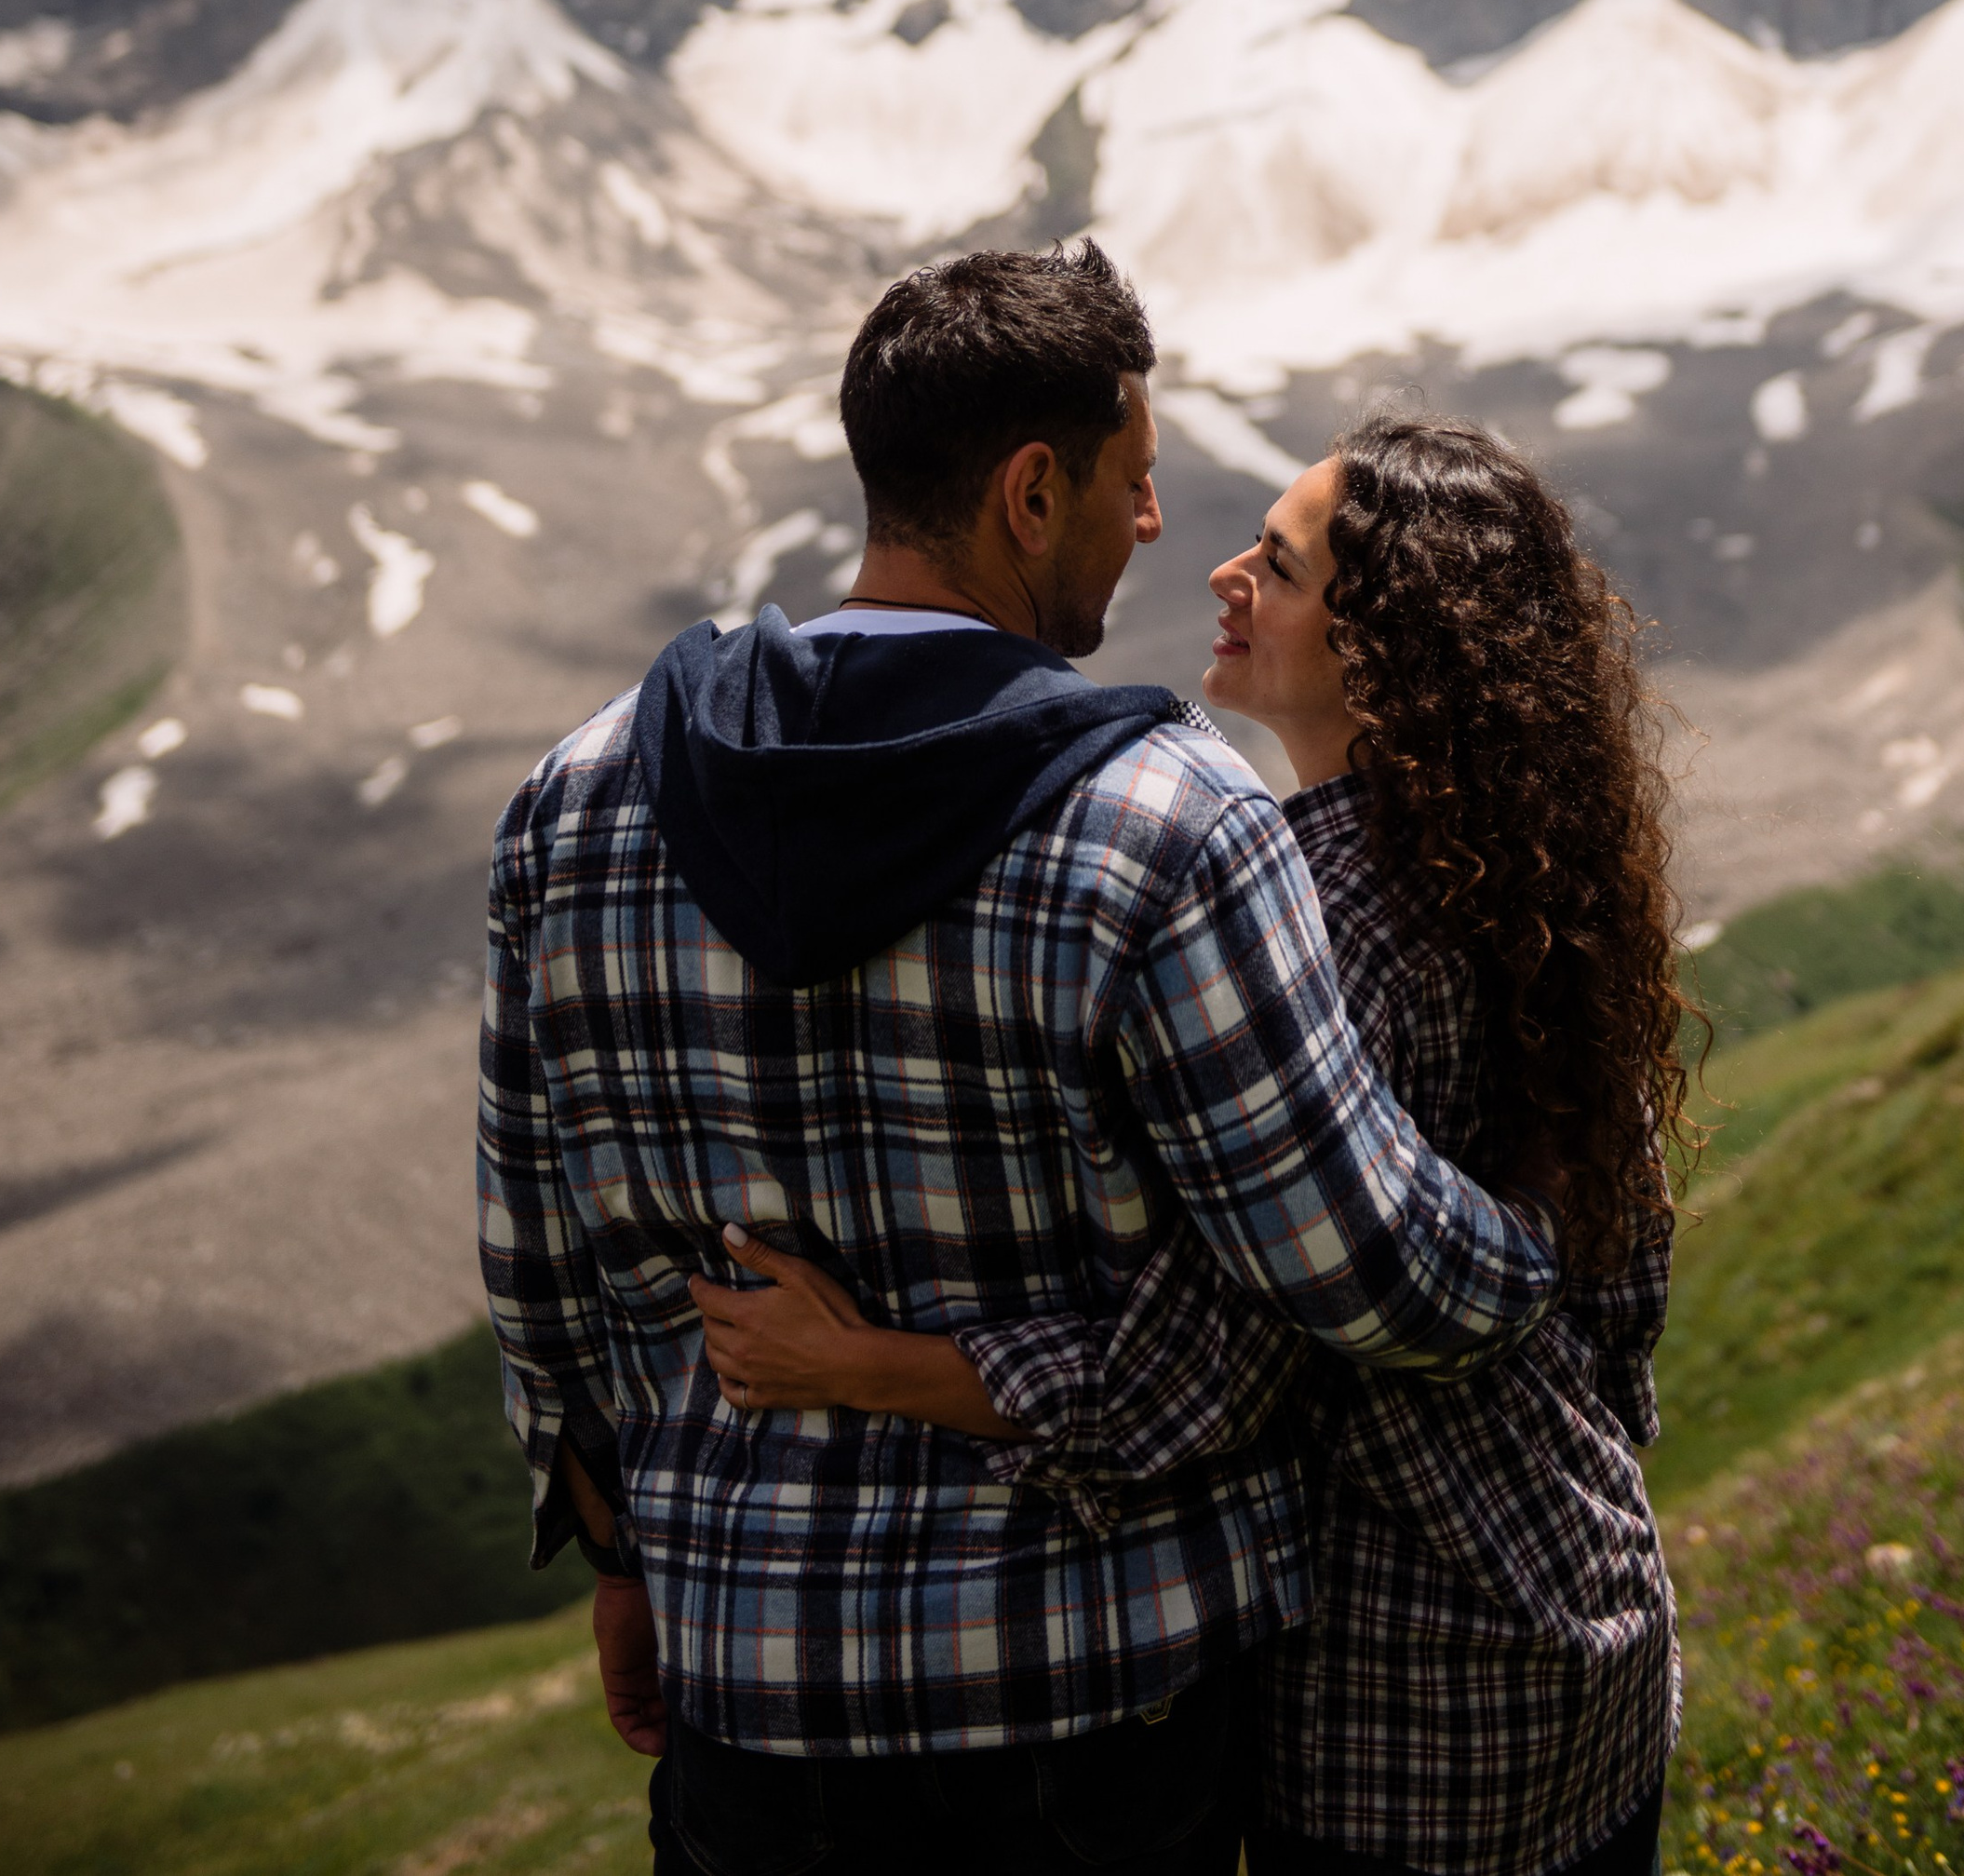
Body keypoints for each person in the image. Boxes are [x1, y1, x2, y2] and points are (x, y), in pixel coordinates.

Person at [478, 249, 1565, 1876]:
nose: (1152, 530)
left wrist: (625, 1561)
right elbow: (1364, 1276)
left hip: (747, 1690)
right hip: (1093, 1704)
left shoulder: (576, 799)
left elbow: (541, 1253)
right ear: (1032, 489)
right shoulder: (1169, 821)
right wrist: (1539, 1224)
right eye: (1132, 484)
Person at [703, 412, 1690, 1876]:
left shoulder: (1320, 925)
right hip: (1589, 1605)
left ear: (1389, 652)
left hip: (1405, 1688)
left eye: (1279, 569)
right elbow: (1624, 1294)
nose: (1226, 572)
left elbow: (1192, 1379)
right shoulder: (1519, 876)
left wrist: (856, 1366)